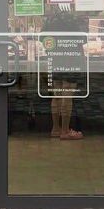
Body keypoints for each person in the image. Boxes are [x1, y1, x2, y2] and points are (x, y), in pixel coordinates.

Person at [44, 9, 87, 140]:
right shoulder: (73, 20)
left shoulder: (51, 20)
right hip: (71, 59)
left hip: (56, 58)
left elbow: (43, 38)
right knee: (67, 94)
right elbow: (83, 39)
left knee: (56, 94)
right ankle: (65, 131)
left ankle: (55, 129)